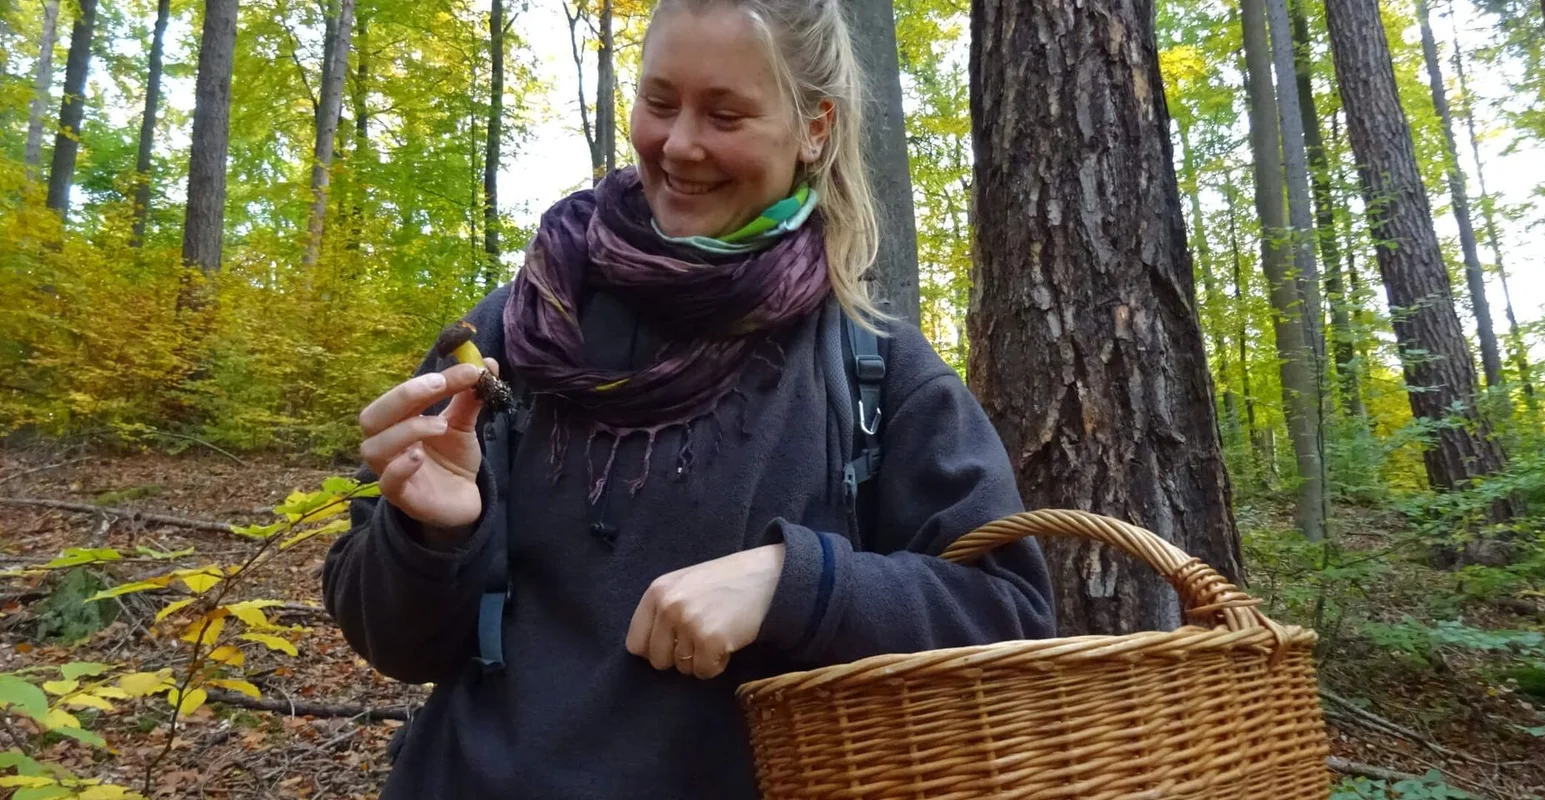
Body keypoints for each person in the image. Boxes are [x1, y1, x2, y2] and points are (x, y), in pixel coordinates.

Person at [321, 0, 1055, 794]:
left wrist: (796, 583)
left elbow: (1006, 613)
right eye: (660, 102)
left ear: (815, 127)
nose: (679, 144)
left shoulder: (872, 364)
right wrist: (430, 535)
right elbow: (390, 640)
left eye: (725, 113)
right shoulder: (519, 329)